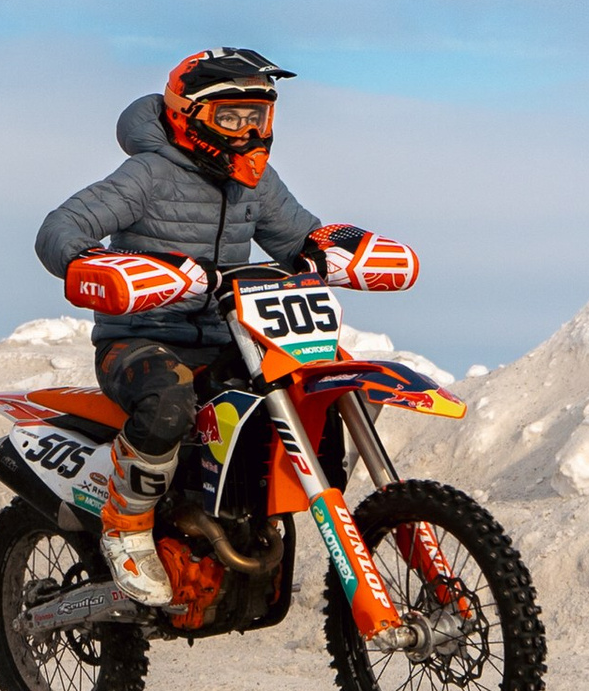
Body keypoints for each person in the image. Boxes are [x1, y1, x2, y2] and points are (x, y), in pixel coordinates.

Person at [33, 49, 379, 609]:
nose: (247, 133)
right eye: (231, 118)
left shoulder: (255, 183)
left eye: (257, 118)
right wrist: (96, 265)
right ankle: (127, 521)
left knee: (318, 376)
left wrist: (334, 250)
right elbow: (61, 227)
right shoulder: (148, 173)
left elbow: (298, 238)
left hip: (230, 337)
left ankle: (268, 511)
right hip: (140, 339)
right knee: (171, 398)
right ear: (190, 116)